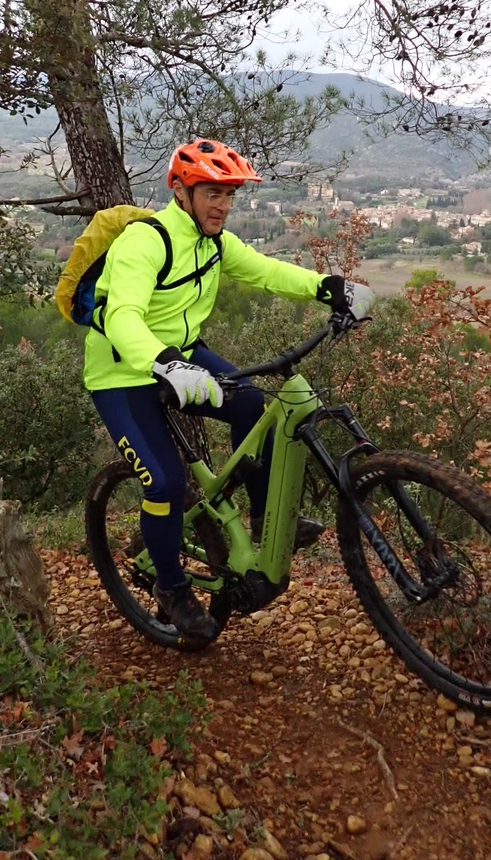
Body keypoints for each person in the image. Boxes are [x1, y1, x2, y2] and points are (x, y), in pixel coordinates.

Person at [85, 139, 375, 643]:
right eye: (212, 193)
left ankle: (263, 521)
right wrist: (162, 362)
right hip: (122, 372)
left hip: (181, 355)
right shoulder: (145, 242)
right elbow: (123, 316)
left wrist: (328, 287)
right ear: (181, 192)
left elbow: (267, 271)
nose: (222, 205)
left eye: (229, 195)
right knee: (165, 484)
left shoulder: (214, 243)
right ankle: (172, 588)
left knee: (255, 408)